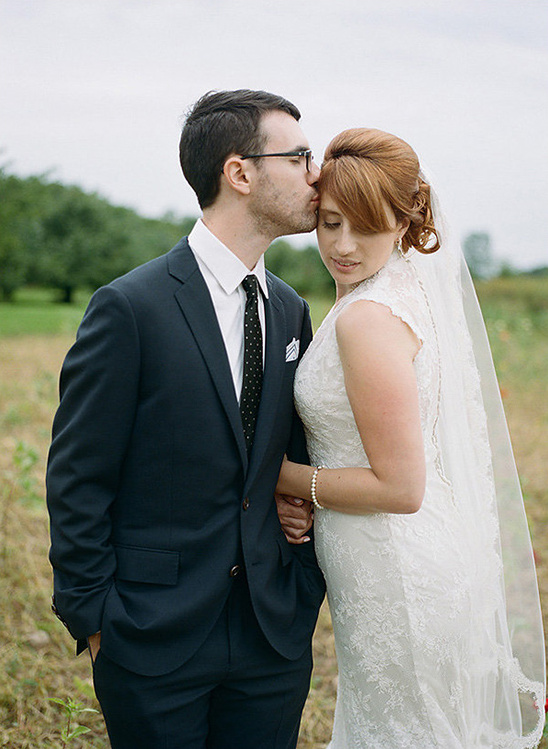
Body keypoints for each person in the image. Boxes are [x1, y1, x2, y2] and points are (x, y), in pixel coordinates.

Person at [46, 89, 326, 749]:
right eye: (300, 156)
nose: (318, 173)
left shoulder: (289, 310)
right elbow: (78, 475)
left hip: (271, 636)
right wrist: (95, 620)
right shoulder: (129, 307)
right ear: (241, 172)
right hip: (149, 637)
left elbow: (292, 455)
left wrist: (301, 566)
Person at [276, 127, 546, 747]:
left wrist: (276, 478)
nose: (342, 246)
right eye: (331, 222)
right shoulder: (395, 292)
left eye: (365, 227)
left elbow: (398, 486)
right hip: (387, 557)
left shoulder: (370, 318)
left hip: (396, 572)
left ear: (404, 222)